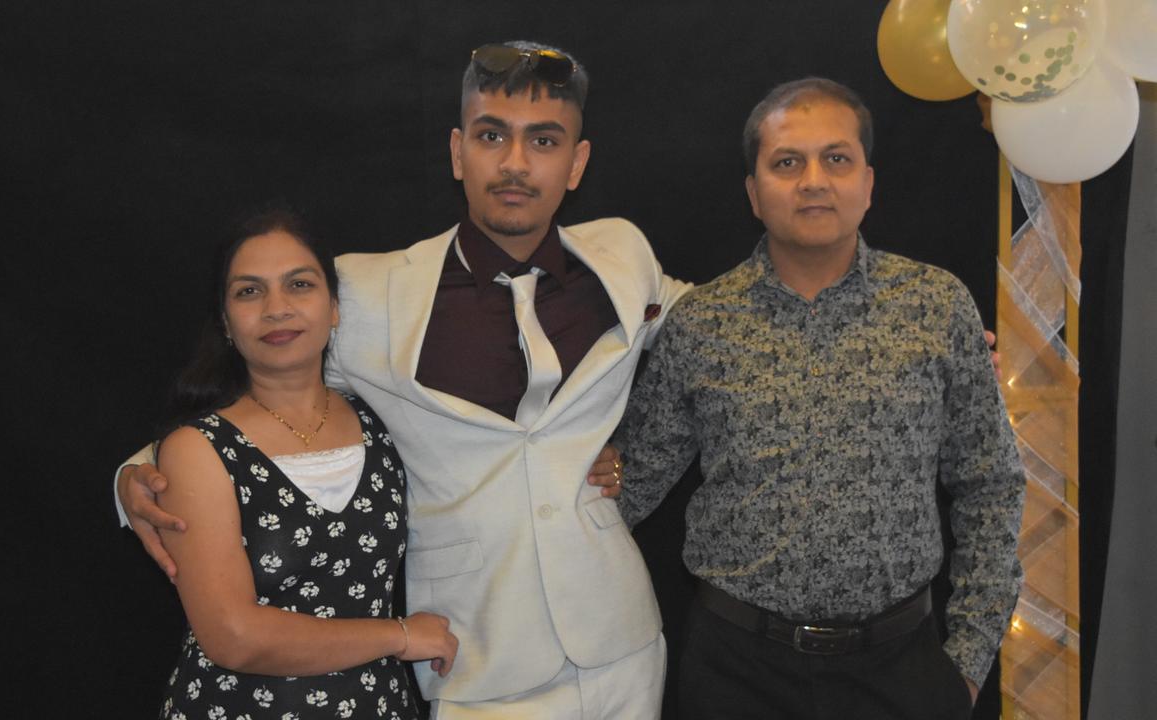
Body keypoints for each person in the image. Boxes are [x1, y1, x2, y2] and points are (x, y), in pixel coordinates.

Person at [120, 42, 690, 718]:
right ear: (457, 153)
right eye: (490, 136)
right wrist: (139, 473)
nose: (513, 163)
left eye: (542, 140)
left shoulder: (623, 256)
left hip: (620, 643)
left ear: (576, 163)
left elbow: (715, 331)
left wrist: (632, 446)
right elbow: (259, 384)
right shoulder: (366, 293)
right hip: (469, 656)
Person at [612, 77, 1025, 720]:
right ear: (753, 192)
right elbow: (626, 487)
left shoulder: (935, 306)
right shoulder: (702, 323)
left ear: (868, 182)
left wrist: (967, 661)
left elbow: (991, 483)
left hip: (901, 670)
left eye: (836, 158)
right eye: (786, 162)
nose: (812, 180)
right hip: (735, 674)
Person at [150, 206, 458, 719]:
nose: (276, 308)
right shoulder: (197, 449)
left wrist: (601, 456)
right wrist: (400, 635)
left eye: (299, 285)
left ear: (335, 307)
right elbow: (234, 637)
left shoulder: (385, 422)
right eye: (249, 291)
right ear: (226, 324)